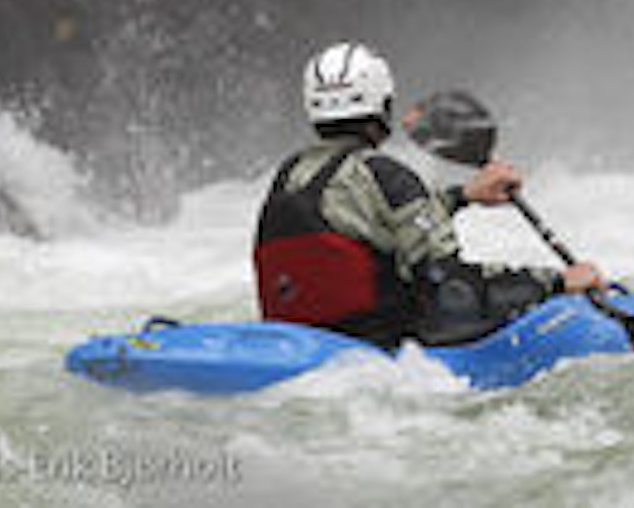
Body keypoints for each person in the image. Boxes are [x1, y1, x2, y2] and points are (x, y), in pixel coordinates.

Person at [254, 41, 606, 349]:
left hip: (299, 339)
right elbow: (455, 290)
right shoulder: (387, 176)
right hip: (379, 346)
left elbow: (363, 224)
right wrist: (557, 283)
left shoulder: (289, 175)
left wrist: (464, 196)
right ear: (382, 102)